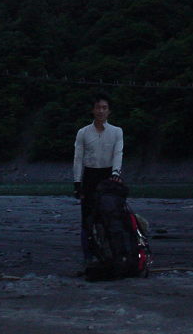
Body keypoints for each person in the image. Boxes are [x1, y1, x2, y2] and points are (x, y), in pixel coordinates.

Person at [73, 93, 123, 268]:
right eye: (98, 108)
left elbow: (118, 153)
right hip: (89, 176)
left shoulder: (116, 131)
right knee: (87, 219)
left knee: (111, 216)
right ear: (93, 110)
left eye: (104, 108)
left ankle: (112, 253)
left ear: (109, 111)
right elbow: (78, 158)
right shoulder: (83, 132)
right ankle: (88, 257)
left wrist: (116, 172)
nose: (101, 111)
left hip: (109, 176)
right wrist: (77, 183)